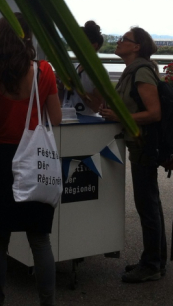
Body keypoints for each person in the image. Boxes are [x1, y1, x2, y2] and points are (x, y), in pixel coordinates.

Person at [0, 13, 62, 306]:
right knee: (39, 240)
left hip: (1, 158)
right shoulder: (44, 71)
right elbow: (54, 118)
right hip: (35, 159)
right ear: (27, 37)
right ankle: (47, 302)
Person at [99, 27, 166, 283]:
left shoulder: (141, 71)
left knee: (147, 205)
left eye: (124, 39)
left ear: (136, 47)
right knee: (151, 203)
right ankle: (155, 261)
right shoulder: (132, 71)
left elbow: (154, 113)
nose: (118, 42)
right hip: (139, 144)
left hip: (145, 145)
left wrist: (120, 116)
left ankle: (151, 265)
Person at [60, 20, 104, 116]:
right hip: (66, 117)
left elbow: (97, 107)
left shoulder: (99, 73)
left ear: (94, 46)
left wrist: (75, 84)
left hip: (84, 122)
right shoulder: (75, 67)